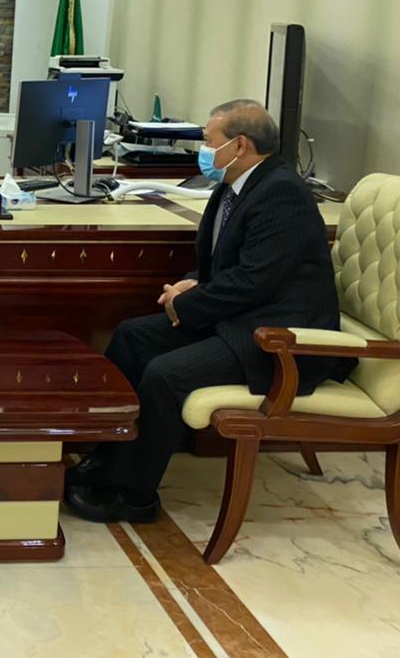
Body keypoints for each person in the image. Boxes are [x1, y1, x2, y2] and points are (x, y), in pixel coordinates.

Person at [65, 99, 353, 523]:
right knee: (131, 336)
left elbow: (255, 281)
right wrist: (191, 282)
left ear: (239, 145)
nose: (203, 148)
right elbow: (224, 263)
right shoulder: (234, 185)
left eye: (208, 140)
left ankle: (134, 494)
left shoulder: (281, 193)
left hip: (276, 338)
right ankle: (108, 459)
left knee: (165, 375)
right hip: (240, 318)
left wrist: (185, 305)